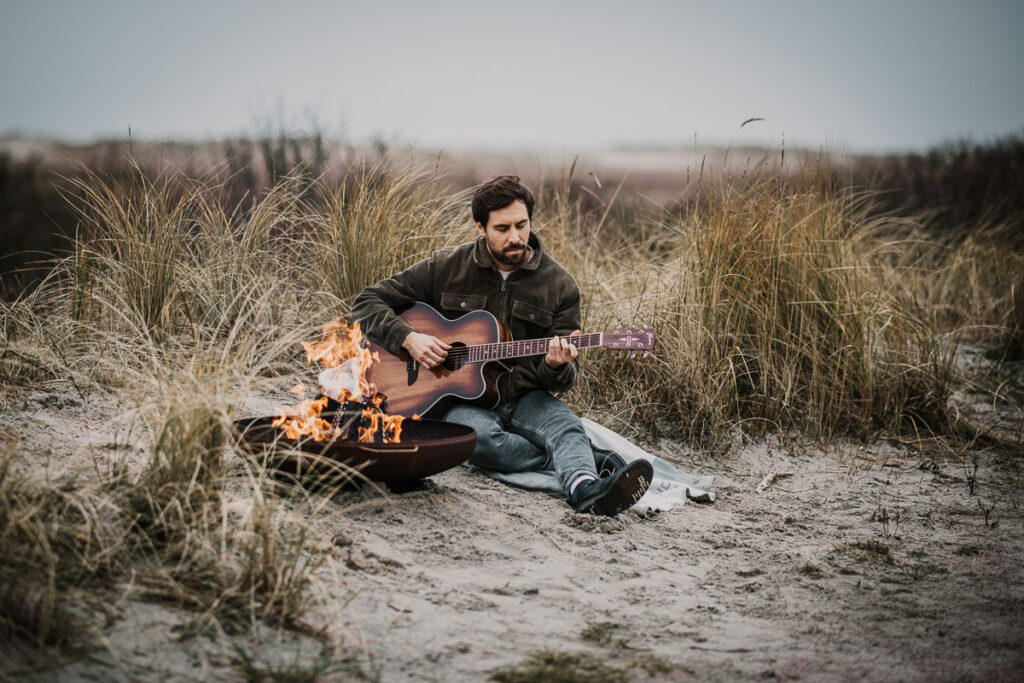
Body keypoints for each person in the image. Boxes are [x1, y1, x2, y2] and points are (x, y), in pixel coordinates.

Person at [350, 175, 651, 516]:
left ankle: (586, 489)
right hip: (461, 399)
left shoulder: (560, 286)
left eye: (522, 225)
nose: (515, 237)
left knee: (566, 426)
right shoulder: (447, 266)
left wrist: (556, 365)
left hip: (526, 395)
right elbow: (367, 301)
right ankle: (588, 457)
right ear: (481, 227)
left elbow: (565, 380)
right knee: (481, 441)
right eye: (502, 228)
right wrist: (409, 338)